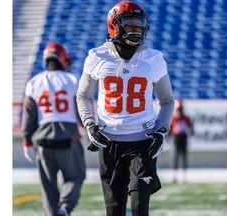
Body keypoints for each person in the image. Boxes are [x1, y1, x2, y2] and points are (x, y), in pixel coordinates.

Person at [76, 1, 175, 216]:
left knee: (140, 208)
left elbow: (167, 100)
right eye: (130, 25)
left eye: (139, 26)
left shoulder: (154, 58)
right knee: (114, 211)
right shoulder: (97, 57)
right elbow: (83, 95)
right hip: (108, 141)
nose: (136, 30)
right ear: (115, 26)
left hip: (142, 141)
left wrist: (161, 130)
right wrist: (89, 124)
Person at [21, 43, 86, 216]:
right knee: (75, 177)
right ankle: (64, 208)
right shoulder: (72, 80)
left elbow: (29, 116)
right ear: (63, 58)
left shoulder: (34, 82)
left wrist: (27, 139)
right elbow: (82, 110)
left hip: (43, 139)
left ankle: (52, 214)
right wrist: (90, 129)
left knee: (48, 185)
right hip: (68, 137)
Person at [169, 99, 194, 183]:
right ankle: (174, 176)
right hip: (176, 139)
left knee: (184, 157)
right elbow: (170, 130)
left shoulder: (186, 118)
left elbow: (190, 127)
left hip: (183, 138)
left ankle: (184, 177)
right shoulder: (173, 118)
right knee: (175, 158)